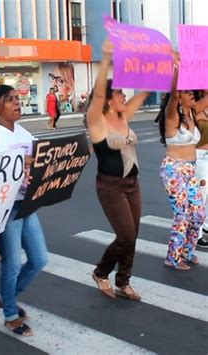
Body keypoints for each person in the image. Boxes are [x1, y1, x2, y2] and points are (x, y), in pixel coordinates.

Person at [0, 84, 49, 337]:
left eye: (17, 98)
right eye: (10, 99)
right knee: (13, 264)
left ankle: (8, 297)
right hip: (4, 208)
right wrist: (18, 162)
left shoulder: (23, 132)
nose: (17, 102)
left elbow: (45, 154)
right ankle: (11, 315)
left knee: (39, 259)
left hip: (26, 204)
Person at [85, 40, 149, 300]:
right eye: (120, 93)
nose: (124, 96)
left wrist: (169, 66)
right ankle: (101, 272)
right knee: (125, 235)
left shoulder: (123, 116)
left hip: (133, 183)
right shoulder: (97, 121)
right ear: (109, 100)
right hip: (110, 186)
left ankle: (124, 281)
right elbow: (99, 94)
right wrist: (105, 60)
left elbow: (146, 90)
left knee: (133, 235)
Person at [157, 56, 205, 270]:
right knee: (183, 214)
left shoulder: (192, 113)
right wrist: (178, 68)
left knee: (198, 213)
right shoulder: (172, 117)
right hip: (174, 170)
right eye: (188, 93)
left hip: (191, 171)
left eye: (192, 92)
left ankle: (187, 251)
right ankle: (173, 257)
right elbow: (175, 94)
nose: (191, 94)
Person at [193, 90, 208, 248]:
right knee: (200, 196)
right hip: (199, 156)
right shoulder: (194, 108)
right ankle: (196, 235)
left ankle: (206, 227)